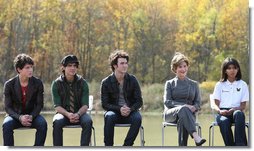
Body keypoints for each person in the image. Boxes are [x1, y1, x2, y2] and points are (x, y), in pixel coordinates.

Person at [2, 53, 47, 146]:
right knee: (6, 125)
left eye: (31, 67)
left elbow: (39, 105)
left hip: (32, 116)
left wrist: (31, 116)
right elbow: (8, 107)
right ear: (19, 69)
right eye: (27, 67)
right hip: (15, 116)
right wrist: (19, 117)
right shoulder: (9, 85)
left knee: (43, 123)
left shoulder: (38, 83)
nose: (31, 70)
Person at [101, 50, 143, 146]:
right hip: (114, 112)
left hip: (130, 111)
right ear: (115, 65)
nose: (125, 65)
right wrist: (119, 109)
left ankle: (126, 146)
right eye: (122, 63)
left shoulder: (132, 80)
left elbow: (139, 101)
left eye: (126, 63)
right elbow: (105, 104)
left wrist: (130, 109)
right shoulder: (106, 82)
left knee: (138, 118)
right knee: (109, 116)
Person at [163, 52, 206, 146]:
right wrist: (184, 106)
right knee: (183, 109)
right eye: (180, 67)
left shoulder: (194, 84)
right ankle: (195, 135)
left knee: (183, 118)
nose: (183, 69)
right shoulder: (169, 83)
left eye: (185, 66)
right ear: (175, 68)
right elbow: (167, 102)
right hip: (171, 114)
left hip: (188, 115)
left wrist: (194, 107)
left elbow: (198, 103)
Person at [51, 54, 93, 146]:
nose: (73, 68)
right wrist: (68, 114)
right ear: (63, 67)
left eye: (75, 66)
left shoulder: (83, 83)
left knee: (88, 121)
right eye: (69, 66)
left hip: (80, 114)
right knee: (57, 122)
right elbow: (57, 106)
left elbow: (85, 105)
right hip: (63, 114)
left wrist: (77, 114)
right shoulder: (56, 84)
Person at [212, 57, 249, 146]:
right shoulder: (219, 85)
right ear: (225, 70)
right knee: (223, 121)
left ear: (238, 69)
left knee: (239, 114)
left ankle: (240, 146)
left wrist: (234, 109)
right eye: (229, 68)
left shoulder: (243, 84)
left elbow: (243, 106)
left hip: (237, 111)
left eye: (235, 68)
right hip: (222, 112)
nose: (232, 70)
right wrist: (220, 111)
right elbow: (215, 104)